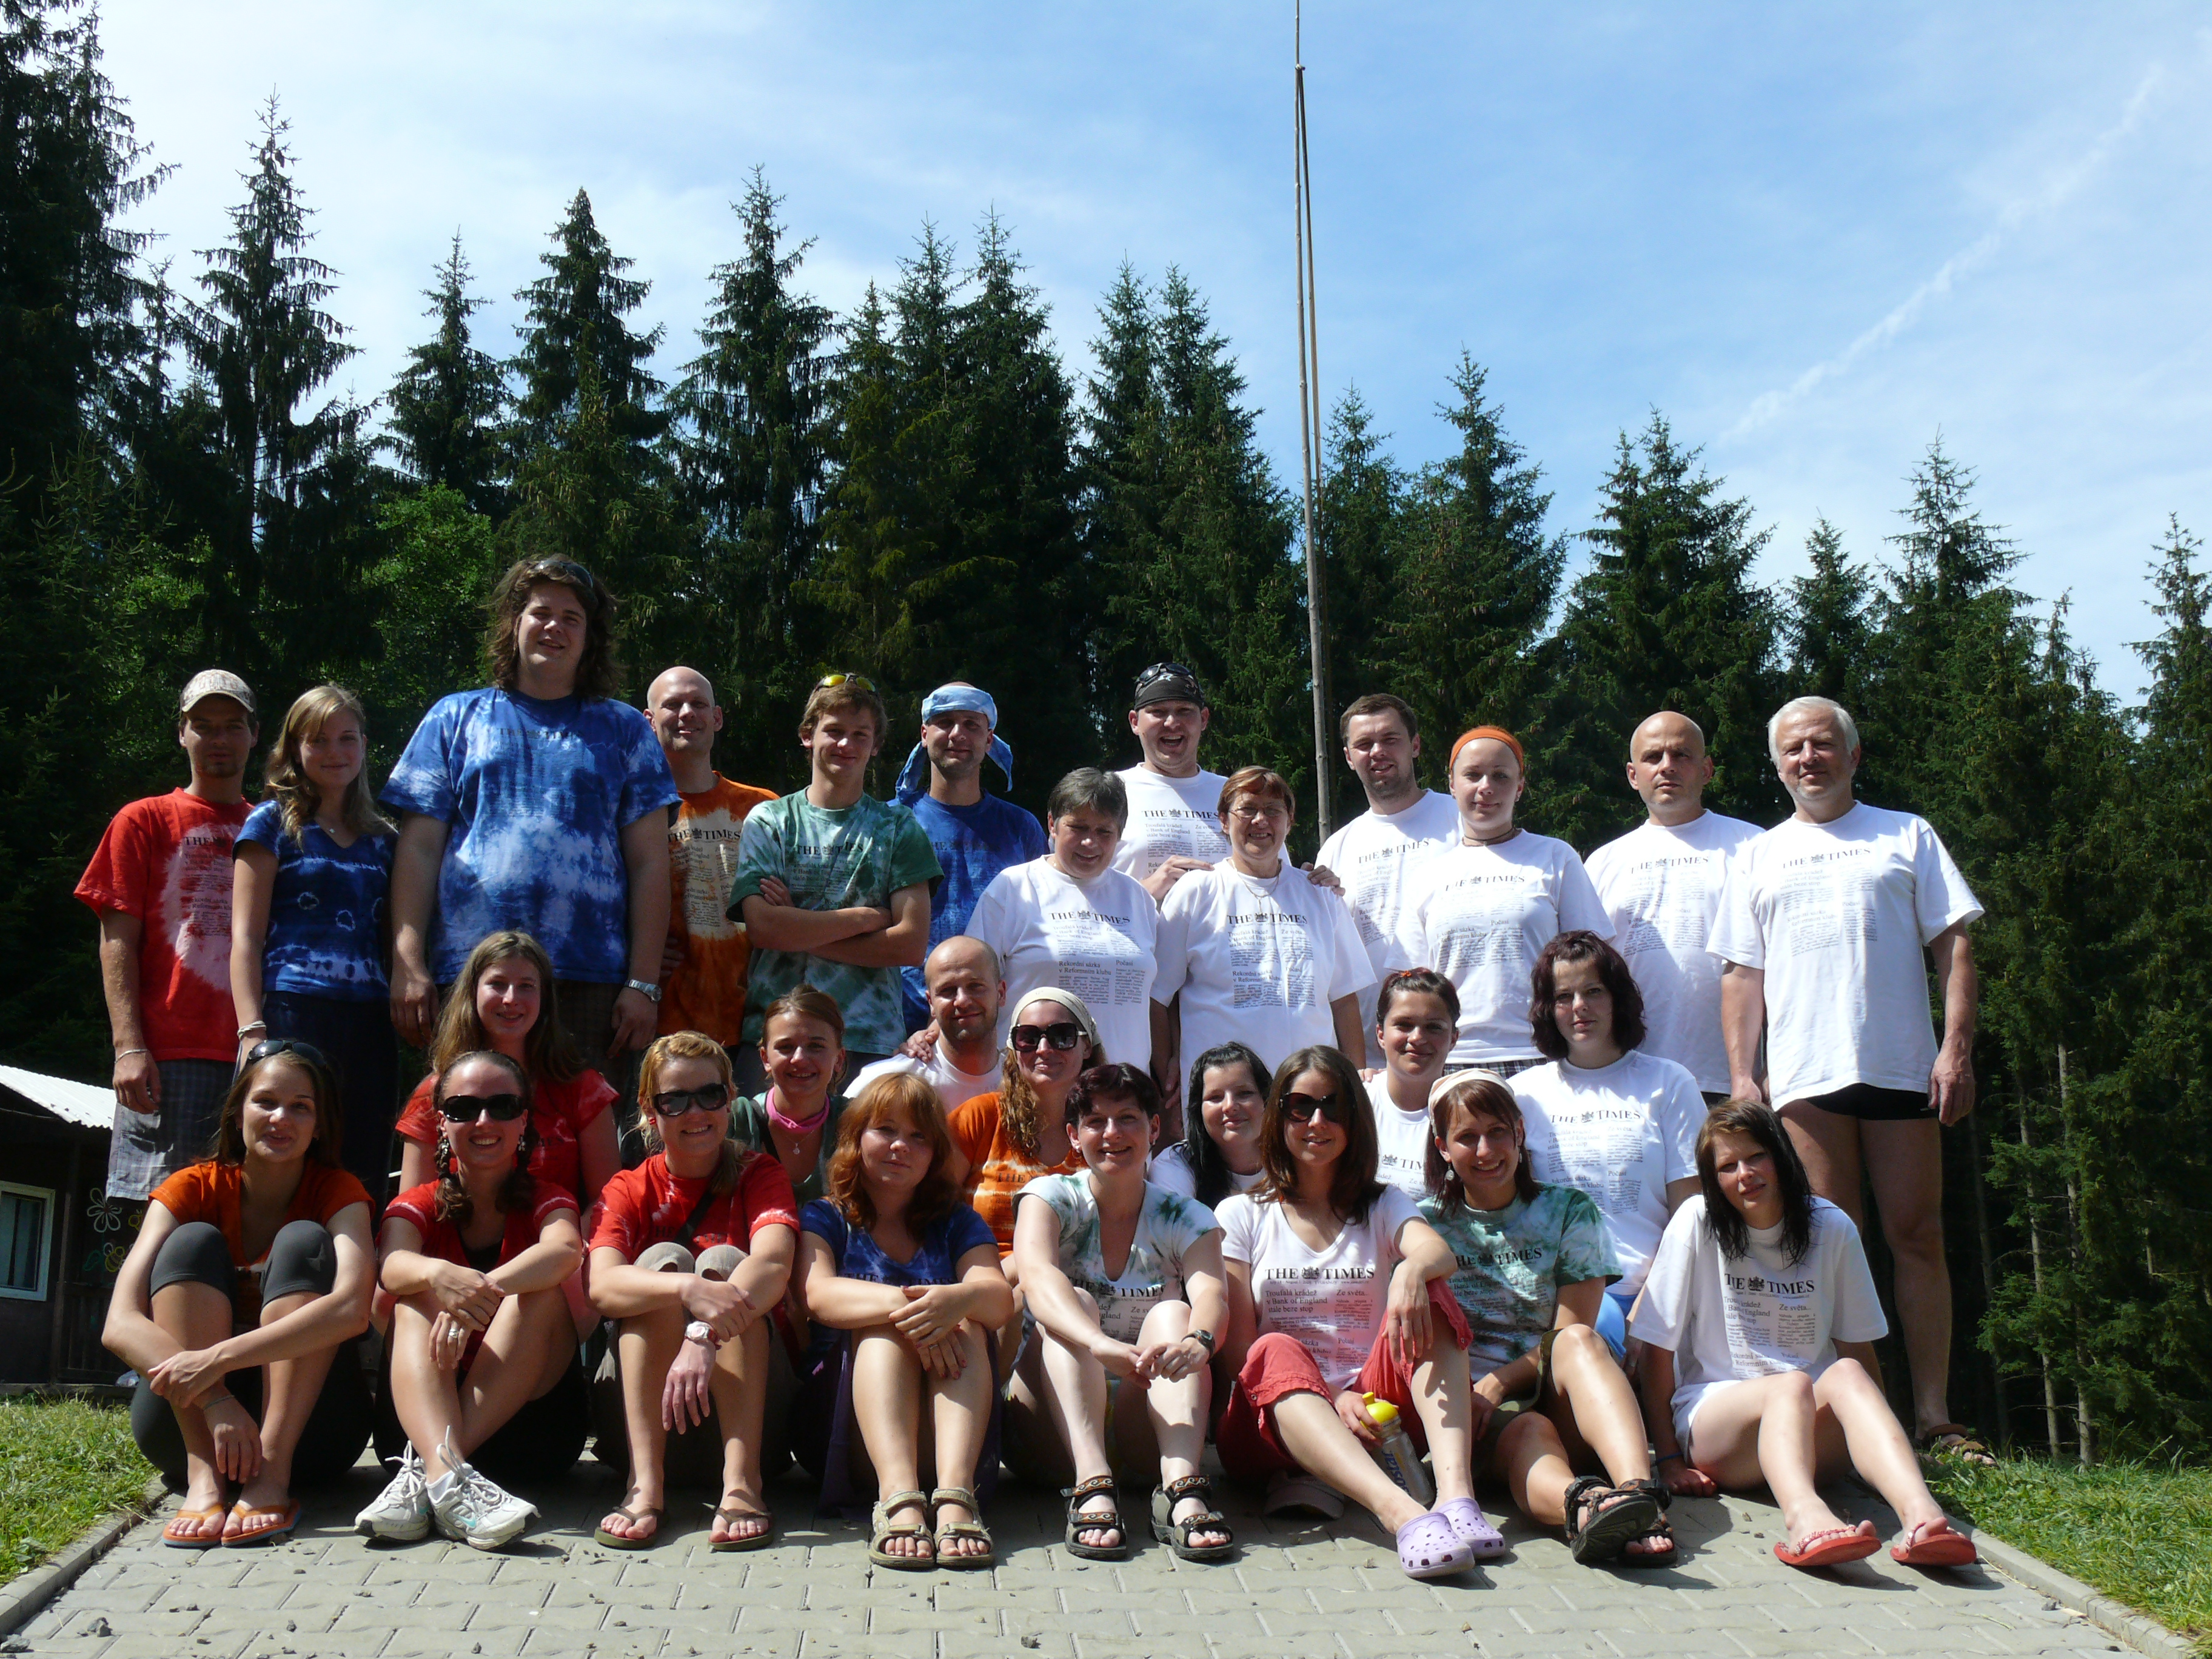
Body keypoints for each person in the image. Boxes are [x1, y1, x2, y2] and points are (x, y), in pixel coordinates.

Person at [1711, 695, 1988, 1463]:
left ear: (1854, 755)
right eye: (1794, 749)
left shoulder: (1907, 834)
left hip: (1901, 1067)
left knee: (1917, 1236)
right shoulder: (1759, 854)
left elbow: (1955, 949)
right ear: (1777, 767)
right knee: (1834, 1245)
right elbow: (1741, 974)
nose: (1809, 758)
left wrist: (1955, 1050)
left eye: (1824, 744)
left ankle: (1934, 1418)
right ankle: (1864, 1425)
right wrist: (1743, 1077)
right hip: (1806, 1077)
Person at [1634, 1101, 1978, 1569]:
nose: (1744, 1175)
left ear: (1781, 1155)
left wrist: (1883, 1450)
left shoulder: (1830, 1226)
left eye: (1756, 1157)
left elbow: (1858, 1347)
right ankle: (1806, 1520)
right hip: (1720, 1427)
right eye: (1728, 1167)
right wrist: (1670, 1460)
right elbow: (1656, 1351)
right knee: (1792, 1384)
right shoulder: (1698, 1220)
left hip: (1810, 1430)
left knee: (1847, 1373)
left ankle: (1923, 1518)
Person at [384, 558, 679, 1090]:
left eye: (572, 618)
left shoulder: (627, 730)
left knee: (587, 1132)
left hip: (591, 978)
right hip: (475, 974)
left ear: (589, 638)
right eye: (541, 612)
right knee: (473, 1123)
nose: (554, 627)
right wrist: (408, 963)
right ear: (514, 622)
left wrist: (643, 983)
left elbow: (650, 863)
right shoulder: (453, 718)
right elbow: (419, 850)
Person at [1215, 1045, 1492, 1580]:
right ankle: (1403, 1515)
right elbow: (1239, 1361)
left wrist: (1409, 1273)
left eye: (1334, 1106)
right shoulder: (1242, 1213)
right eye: (1300, 1106)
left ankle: (1457, 1499)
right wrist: (1329, 1397)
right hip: (1270, 1427)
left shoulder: (1383, 1204)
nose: (1317, 1122)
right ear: (1278, 1117)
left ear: (1356, 1119)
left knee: (1432, 1291)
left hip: (1375, 1413)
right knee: (1272, 1349)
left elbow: (1438, 1253)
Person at [102, 1041, 374, 1546]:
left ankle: (270, 1475)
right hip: (188, 1429)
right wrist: (216, 1399)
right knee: (190, 1243)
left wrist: (216, 1361)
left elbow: (353, 1310)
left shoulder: (339, 1192)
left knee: (304, 1242)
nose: (280, 1118)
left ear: (319, 1126)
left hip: (314, 1438)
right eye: (265, 1102)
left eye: (300, 1107)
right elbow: (119, 1323)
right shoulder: (190, 1188)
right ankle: (204, 1478)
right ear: (237, 1113)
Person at [1423, 1073, 1676, 1566]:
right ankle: (1589, 1509)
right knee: (1529, 1428)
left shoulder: (1569, 1211)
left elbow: (1566, 1332)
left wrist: (1499, 1380)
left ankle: (1639, 1495)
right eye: (1467, 1137)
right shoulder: (1425, 1224)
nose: (1485, 1150)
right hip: (1477, 1418)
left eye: (1498, 1132)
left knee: (1579, 1340)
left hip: (1553, 1396)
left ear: (1520, 1132)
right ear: (1443, 1148)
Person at [1007, 1063, 1234, 1561]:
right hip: (1049, 1433)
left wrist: (1199, 1341)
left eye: (1128, 1118)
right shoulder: (1048, 1197)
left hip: (1143, 1430)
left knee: (1176, 1315)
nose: (1112, 1134)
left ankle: (1181, 1489)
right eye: (1096, 1122)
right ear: (1074, 1135)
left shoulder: (1186, 1216)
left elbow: (1212, 1296)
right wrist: (1099, 1344)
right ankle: (1091, 1485)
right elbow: (1037, 1280)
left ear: (1154, 1129)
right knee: (1075, 1303)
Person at [359, 1051, 585, 1549]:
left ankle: (433, 1475)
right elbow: (392, 1265)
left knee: (540, 1294)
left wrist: (480, 1294)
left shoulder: (547, 1198)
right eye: (464, 1108)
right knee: (414, 1296)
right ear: (442, 1124)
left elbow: (566, 1250)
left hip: (532, 1438)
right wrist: (439, 1275)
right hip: (415, 1429)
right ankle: (449, 1479)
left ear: (523, 1121)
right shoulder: (419, 1203)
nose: (484, 1121)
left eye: (502, 1106)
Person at [587, 1033, 801, 1550]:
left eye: (710, 1094)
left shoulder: (760, 1174)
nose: (696, 1112)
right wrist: (684, 1289)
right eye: (675, 1100)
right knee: (663, 1263)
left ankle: (743, 1485)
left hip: (752, 1424)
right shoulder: (628, 1187)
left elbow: (774, 1265)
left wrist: (702, 1333)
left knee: (725, 1264)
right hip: (644, 1425)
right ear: (649, 1110)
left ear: (731, 1098)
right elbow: (602, 1286)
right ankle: (644, 1486)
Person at [794, 1074, 1013, 1569]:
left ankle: (956, 1498)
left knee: (967, 1320)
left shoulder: (957, 1221)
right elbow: (817, 1295)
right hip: (843, 1432)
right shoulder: (827, 1216)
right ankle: (898, 1500)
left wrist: (954, 1303)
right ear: (856, 1138)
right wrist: (917, 1311)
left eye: (919, 1137)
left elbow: (998, 1299)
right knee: (884, 1329)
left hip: (945, 1439)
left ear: (936, 1153)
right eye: (886, 1130)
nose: (901, 1147)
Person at [78, 669, 260, 1201]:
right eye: (204, 725)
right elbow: (117, 941)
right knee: (159, 1221)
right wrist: (128, 1047)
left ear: (254, 734)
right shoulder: (143, 820)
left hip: (255, 1056)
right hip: (168, 1057)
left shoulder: (270, 828)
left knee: (245, 1223)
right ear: (182, 733)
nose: (219, 739)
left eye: (233, 726)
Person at [392, 933, 618, 1342]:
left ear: (544, 998)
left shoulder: (581, 1088)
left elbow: (607, 1202)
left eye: (526, 986)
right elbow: (411, 1211)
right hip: (456, 1266)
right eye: (497, 984)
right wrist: (453, 1279)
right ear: (472, 993)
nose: (511, 999)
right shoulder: (435, 1093)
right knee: (390, 1296)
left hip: (553, 1256)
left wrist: (547, 1258)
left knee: (554, 1287)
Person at [230, 685, 398, 1207]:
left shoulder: (384, 839)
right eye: (318, 740)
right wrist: (251, 1031)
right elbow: (245, 937)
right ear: (294, 748)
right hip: (293, 1010)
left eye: (347, 738)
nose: (334, 752)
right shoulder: (271, 823)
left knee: (363, 1162)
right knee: (287, 1155)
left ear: (364, 745)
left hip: (371, 1019)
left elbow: (394, 938)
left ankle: (354, 1256)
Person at [729, 674, 940, 1077]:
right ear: (807, 735)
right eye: (834, 731)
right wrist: (865, 919)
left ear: (876, 745)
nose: (847, 744)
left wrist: (798, 927)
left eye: (861, 734)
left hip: (868, 1042)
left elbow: (910, 945)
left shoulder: (898, 827)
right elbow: (764, 928)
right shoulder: (771, 820)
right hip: (775, 1041)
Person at [1512, 932, 1703, 1364]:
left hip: (1654, 1292)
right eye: (1564, 996)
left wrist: (1648, 1313)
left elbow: (1690, 1215)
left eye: (1593, 991)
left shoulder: (1670, 1083)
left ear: (1618, 998)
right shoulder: (1523, 1094)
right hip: (1557, 1295)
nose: (1579, 1006)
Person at [1151, 766, 1374, 1102]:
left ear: (1289, 821)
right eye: (1247, 810)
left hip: (1308, 1094)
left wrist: (1355, 1084)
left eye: (1273, 810)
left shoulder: (1320, 895)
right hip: (1225, 1100)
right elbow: (1158, 996)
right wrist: (1167, 1071)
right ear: (1224, 821)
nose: (1261, 820)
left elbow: (1344, 1000)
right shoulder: (1196, 892)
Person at [1410, 727, 1613, 1074]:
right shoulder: (1427, 876)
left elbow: (1590, 962)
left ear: (1519, 787)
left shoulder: (1555, 856)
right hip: (1453, 1059)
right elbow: (1417, 981)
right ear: (1452, 784)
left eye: (1500, 776)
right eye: (1473, 775)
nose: (1486, 787)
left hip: (1543, 1055)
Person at [1583, 712, 1758, 1100]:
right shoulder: (1602, 864)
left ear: (1707, 769)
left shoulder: (1753, 847)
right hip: (1629, 1079)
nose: (1667, 766)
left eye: (1681, 755)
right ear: (1633, 775)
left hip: (1732, 1081)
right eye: (1653, 757)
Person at [965, 768, 1157, 1074]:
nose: (1090, 842)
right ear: (1052, 824)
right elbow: (970, 981)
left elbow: (1159, 1000)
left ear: (1120, 834)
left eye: (1104, 832)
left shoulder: (1138, 898)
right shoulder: (1012, 889)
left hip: (1120, 1089)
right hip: (1035, 1083)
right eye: (1078, 828)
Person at [891, 682, 1047, 1033]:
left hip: (997, 1024)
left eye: (971, 724)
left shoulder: (1021, 828)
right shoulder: (891, 822)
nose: (957, 734)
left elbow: (1043, 921)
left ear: (989, 740)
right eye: (945, 722)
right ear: (924, 734)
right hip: (900, 1026)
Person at [1313, 695, 1460, 1066]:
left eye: (1390, 739)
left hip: (1460, 1044)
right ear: (1349, 758)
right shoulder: (1337, 847)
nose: (1377, 752)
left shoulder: (1460, 820)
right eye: (1364, 744)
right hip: (1374, 1055)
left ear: (1415, 745)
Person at [645, 665, 777, 1052]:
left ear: (717, 718)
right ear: (648, 721)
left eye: (698, 704)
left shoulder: (763, 807)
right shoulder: (634, 811)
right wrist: (636, 952)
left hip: (756, 1022)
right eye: (673, 705)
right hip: (662, 1022)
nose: (687, 713)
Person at [945, 988, 1100, 1259]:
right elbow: (930, 1208)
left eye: (1062, 1036)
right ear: (1014, 1049)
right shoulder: (980, 1117)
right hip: (983, 1276)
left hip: (1075, 1279)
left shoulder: (1108, 1131)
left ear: (1086, 1046)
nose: (1044, 1049)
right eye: (1028, 1038)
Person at [1110, 663, 1230, 902]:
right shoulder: (1108, 792)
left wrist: (1305, 881)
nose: (1172, 722)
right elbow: (1074, 890)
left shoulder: (1235, 794)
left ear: (1204, 719)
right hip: (1137, 927)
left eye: (1185, 711)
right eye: (1158, 711)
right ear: (1135, 722)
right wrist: (1143, 892)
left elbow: (1271, 878)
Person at [851, 937, 1007, 1113]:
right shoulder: (887, 1081)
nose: (962, 1001)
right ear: (931, 1003)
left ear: (1001, 993)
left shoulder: (1024, 1081)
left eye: (975, 986)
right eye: (947, 990)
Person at [731, 985, 853, 1205]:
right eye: (786, 1047)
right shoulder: (737, 1120)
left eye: (815, 1046)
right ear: (765, 1058)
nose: (799, 1059)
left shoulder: (856, 1121)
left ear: (839, 1059)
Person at [1366, 969, 1459, 1200]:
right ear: (1381, 1034)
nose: (1417, 1037)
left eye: (1433, 1027)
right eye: (1404, 1025)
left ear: (1454, 1038)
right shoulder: (1356, 1100)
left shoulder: (1469, 1110)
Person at [1151, 1043, 1271, 1207]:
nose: (1230, 1106)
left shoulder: (1295, 1159)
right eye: (1215, 1097)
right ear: (1198, 1109)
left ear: (1267, 1100)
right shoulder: (1174, 1165)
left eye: (1244, 1094)